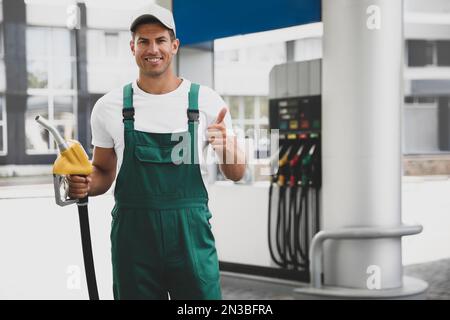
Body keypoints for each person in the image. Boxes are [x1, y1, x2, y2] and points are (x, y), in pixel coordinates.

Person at [68, 4, 245, 300]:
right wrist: (84, 183)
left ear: (174, 46)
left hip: (191, 238)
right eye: (144, 41)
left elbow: (237, 173)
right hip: (134, 240)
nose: (153, 49)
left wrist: (228, 149)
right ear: (132, 47)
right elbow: (102, 173)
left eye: (161, 40)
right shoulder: (109, 107)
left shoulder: (206, 101)